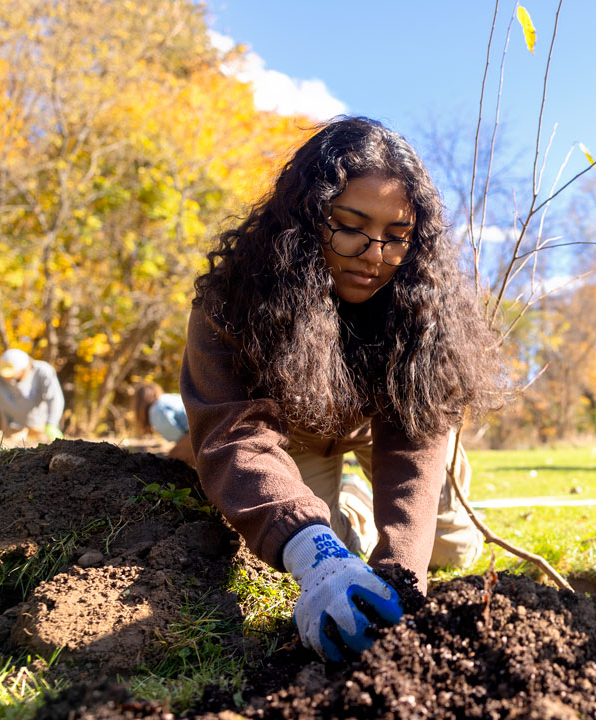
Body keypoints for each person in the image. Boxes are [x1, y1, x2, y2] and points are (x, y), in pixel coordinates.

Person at [180, 116, 501, 661]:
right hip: (290, 440)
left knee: (452, 550)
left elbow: (415, 444)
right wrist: (316, 551)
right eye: (351, 225)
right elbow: (236, 437)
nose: (375, 253)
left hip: (383, 433)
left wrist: (401, 575)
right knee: (303, 553)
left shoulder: (419, 306)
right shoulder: (232, 303)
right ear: (307, 217)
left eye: (397, 236)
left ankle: (360, 500)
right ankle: (347, 513)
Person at [0, 348, 65, 444]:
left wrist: (52, 423)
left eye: (11, 374)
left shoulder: (43, 371)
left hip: (41, 426)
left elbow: (55, 398)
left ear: (24, 369)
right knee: (12, 455)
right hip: (13, 428)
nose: (6, 378)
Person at [133, 381, 196, 465]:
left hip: (202, 431)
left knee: (171, 462)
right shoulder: (168, 398)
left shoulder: (157, 410)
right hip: (210, 425)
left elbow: (180, 438)